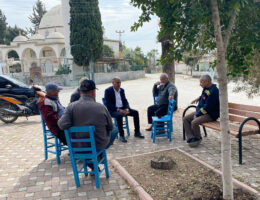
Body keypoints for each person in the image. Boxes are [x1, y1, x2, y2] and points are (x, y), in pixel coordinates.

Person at [58, 80, 118, 150]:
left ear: (80, 92)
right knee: (115, 129)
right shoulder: (101, 107)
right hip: (98, 146)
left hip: (78, 145)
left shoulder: (70, 107)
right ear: (93, 92)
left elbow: (62, 125)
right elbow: (110, 127)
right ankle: (98, 154)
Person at [183, 74, 220, 147]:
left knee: (194, 122)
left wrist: (197, 114)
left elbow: (207, 107)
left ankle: (198, 138)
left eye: (201, 82)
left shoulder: (214, 91)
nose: (200, 84)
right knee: (185, 119)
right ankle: (191, 137)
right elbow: (205, 96)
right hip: (202, 112)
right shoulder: (207, 88)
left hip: (210, 114)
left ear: (207, 82)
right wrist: (199, 98)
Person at [104, 77, 144, 143]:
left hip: (123, 108)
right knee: (119, 115)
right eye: (117, 82)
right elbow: (108, 104)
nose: (119, 84)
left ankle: (137, 132)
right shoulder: (108, 91)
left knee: (135, 112)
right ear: (113, 83)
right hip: (113, 110)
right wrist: (118, 110)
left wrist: (127, 108)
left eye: (120, 82)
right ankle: (121, 135)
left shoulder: (122, 90)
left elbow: (125, 101)